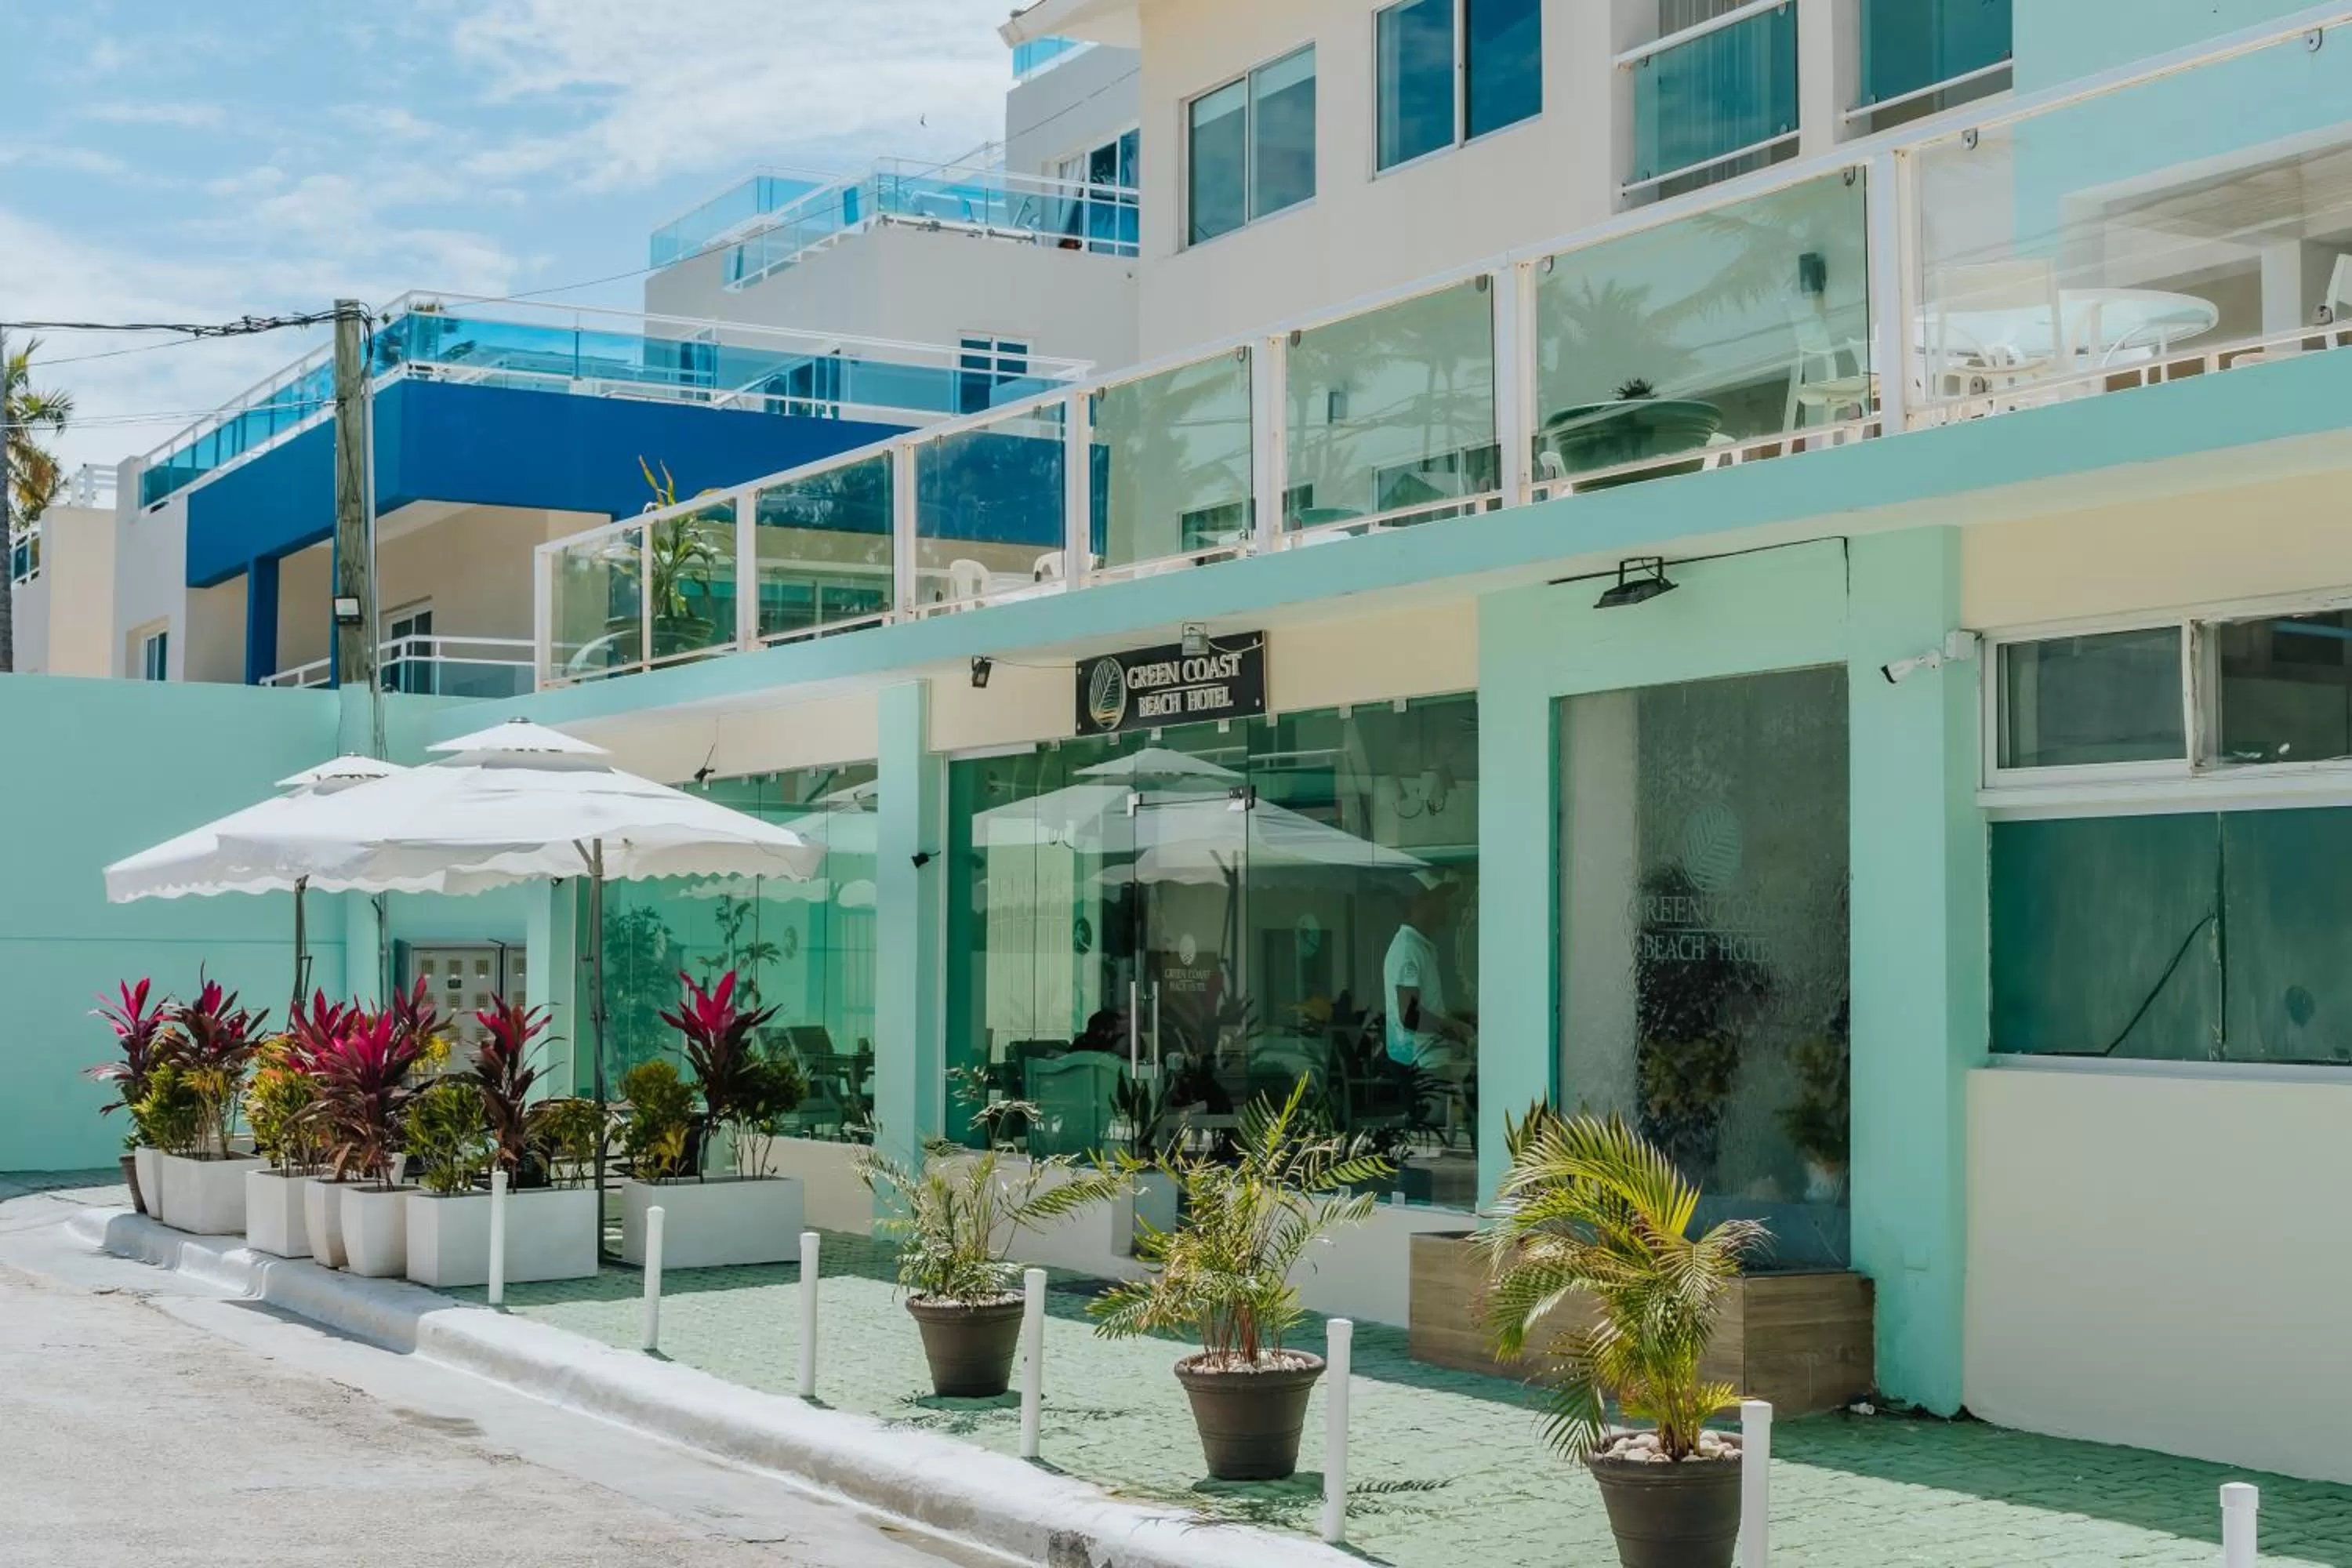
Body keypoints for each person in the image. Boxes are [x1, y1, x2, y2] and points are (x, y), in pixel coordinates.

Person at [1384, 882, 1472, 1070]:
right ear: (1420, 901)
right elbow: (1409, 1016)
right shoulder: (1408, 949)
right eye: (1441, 898)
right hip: (1425, 1066)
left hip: (1431, 1063)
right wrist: (1452, 1026)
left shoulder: (1419, 947)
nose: (1447, 905)